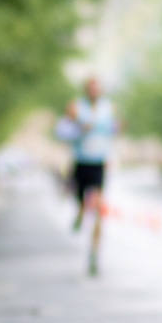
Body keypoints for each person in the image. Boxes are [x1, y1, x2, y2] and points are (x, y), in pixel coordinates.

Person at [55, 78, 117, 275]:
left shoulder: (108, 109)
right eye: (91, 88)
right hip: (81, 162)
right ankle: (80, 212)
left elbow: (113, 132)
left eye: (97, 88)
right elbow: (62, 132)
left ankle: (94, 253)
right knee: (82, 202)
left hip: (99, 163)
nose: (94, 91)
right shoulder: (75, 108)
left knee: (98, 209)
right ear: (86, 90)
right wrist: (80, 128)